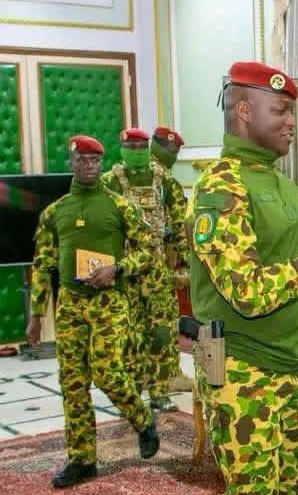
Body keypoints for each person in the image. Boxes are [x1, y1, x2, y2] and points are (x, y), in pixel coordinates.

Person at [184, 61, 298, 495]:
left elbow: (293, 287)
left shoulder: (283, 185)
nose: (291, 123)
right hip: (241, 367)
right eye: (280, 111)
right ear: (245, 111)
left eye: (292, 113)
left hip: (294, 364)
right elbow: (248, 293)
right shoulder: (220, 187)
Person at [26, 135, 160, 488]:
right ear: (70, 163)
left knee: (106, 372)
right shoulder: (55, 212)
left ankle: (142, 418)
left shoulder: (119, 206)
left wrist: (118, 268)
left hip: (108, 303)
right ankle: (82, 460)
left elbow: (148, 250)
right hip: (70, 305)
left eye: (94, 160)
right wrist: (36, 315)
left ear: (101, 163)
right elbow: (42, 264)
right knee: (72, 383)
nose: (88, 166)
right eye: (82, 160)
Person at [102, 128, 189, 411]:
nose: (137, 153)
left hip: (157, 273)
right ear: (122, 149)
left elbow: (179, 224)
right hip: (124, 274)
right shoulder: (109, 183)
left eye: (141, 147)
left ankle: (160, 392)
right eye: (131, 148)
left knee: (161, 334)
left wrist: (187, 263)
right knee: (130, 337)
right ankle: (132, 395)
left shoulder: (164, 180)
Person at [150, 126, 194, 390]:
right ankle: (169, 376)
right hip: (162, 268)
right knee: (165, 321)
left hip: (131, 268)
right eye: (174, 151)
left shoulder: (124, 177)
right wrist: (189, 264)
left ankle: (143, 375)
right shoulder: (166, 181)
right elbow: (180, 226)